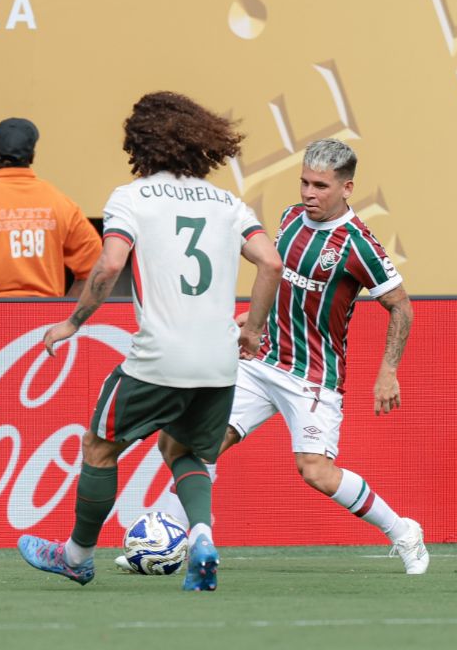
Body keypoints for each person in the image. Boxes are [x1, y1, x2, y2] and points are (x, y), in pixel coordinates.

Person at [17, 92, 282, 592]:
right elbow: (270, 263)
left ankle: (76, 556)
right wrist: (253, 330)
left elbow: (111, 263)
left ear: (140, 141)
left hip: (159, 357)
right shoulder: (228, 204)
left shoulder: (131, 198)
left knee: (99, 447)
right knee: (182, 450)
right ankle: (202, 536)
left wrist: (73, 323)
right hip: (219, 361)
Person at [133, 139, 430, 575]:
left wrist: (389, 371)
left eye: (321, 186)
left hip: (313, 375)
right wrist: (250, 320)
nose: (309, 193)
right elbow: (275, 278)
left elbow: (401, 306)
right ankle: (175, 542)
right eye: (305, 182)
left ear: (347, 188)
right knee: (204, 445)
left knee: (315, 471)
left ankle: (404, 531)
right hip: (261, 360)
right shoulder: (292, 218)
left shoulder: (358, 245)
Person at [0, 117, 102, 298]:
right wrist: (66, 316)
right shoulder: (61, 204)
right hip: (42, 322)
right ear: (32, 156)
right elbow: (97, 267)